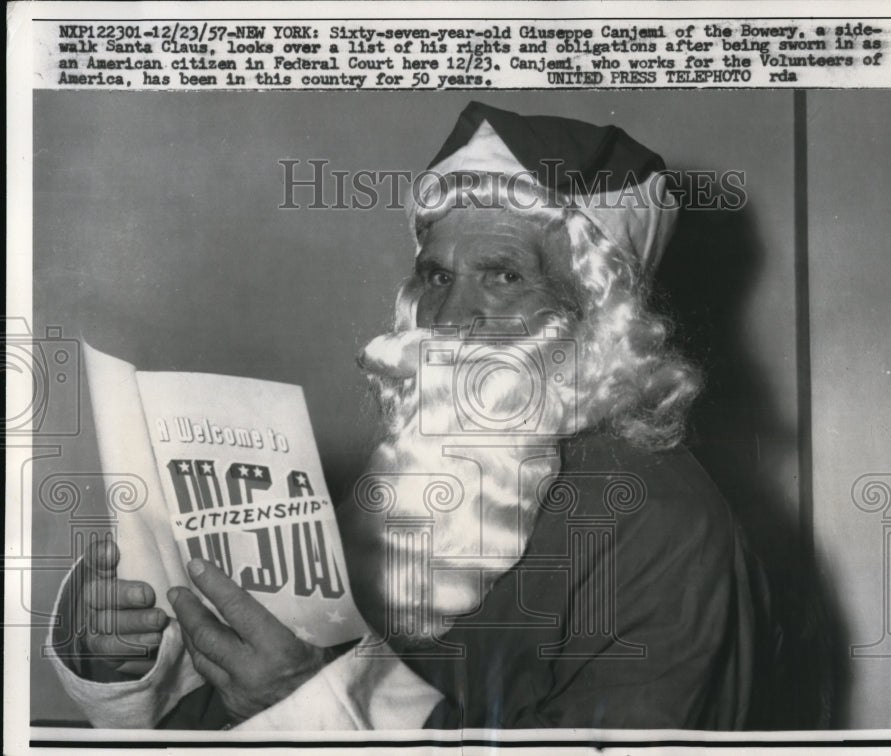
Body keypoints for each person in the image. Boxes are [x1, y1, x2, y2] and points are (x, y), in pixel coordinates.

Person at [49, 102, 774, 731]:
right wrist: (135, 653)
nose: (450, 318)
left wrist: (318, 702)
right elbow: (235, 702)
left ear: (597, 318)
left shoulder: (666, 526)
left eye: (503, 274)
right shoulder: (404, 483)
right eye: (436, 276)